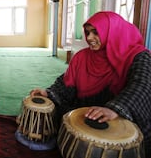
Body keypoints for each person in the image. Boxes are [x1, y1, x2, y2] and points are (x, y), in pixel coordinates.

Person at [28, 11, 151, 156]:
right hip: (86, 113)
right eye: (87, 33)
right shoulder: (82, 57)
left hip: (119, 118)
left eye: (95, 32)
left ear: (112, 32)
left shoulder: (138, 56)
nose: (89, 38)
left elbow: (143, 85)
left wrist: (116, 109)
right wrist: (49, 93)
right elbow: (66, 83)